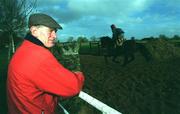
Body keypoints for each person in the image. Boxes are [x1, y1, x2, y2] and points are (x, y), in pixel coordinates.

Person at [7, 13, 84, 114]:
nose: (55, 36)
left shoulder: (22, 49)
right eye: (51, 31)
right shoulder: (39, 55)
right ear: (34, 31)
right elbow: (73, 86)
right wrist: (78, 74)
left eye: (55, 31)